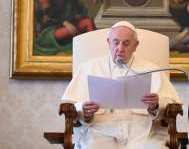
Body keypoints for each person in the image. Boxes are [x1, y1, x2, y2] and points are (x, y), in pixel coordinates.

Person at [62, 21, 181, 149]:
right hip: (99, 133)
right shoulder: (89, 67)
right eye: (116, 42)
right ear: (108, 42)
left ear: (136, 45)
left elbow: (171, 103)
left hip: (141, 134)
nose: (120, 48)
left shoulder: (151, 69)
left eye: (126, 43)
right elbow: (70, 104)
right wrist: (83, 110)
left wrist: (156, 105)